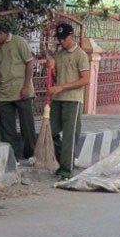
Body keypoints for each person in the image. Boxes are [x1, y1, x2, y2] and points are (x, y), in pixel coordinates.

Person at [0, 23, 37, 164]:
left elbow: (29, 64)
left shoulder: (19, 42)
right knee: (7, 128)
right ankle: (13, 156)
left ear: (2, 33)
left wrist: (26, 86)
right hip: (4, 91)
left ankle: (31, 154)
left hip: (22, 90)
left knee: (27, 125)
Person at [46, 23, 90, 181]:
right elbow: (55, 75)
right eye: (59, 39)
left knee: (70, 136)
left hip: (73, 100)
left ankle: (66, 170)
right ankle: (64, 161)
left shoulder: (81, 55)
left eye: (64, 38)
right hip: (57, 100)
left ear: (71, 36)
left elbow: (85, 79)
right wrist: (50, 67)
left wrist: (62, 87)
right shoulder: (58, 54)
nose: (62, 41)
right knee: (51, 132)